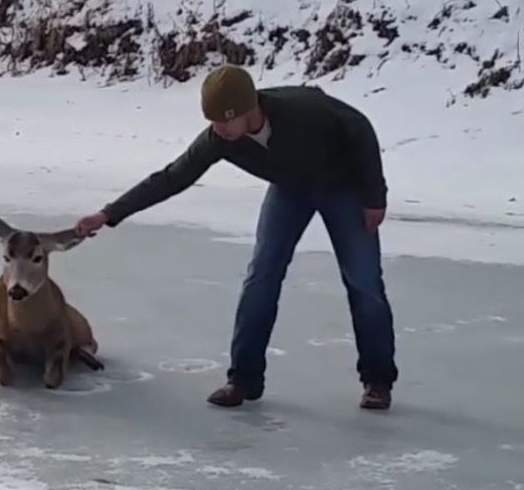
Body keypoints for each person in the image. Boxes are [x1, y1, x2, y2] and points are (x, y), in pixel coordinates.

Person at [75, 65, 398, 410]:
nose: (221, 129)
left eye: (227, 120)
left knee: (363, 282)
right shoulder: (219, 138)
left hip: (343, 188)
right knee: (261, 275)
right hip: (290, 190)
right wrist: (109, 214)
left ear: (250, 107)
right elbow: (171, 178)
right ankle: (243, 379)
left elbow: (360, 129)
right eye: (214, 121)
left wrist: (374, 196)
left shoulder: (304, 110)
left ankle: (377, 380)